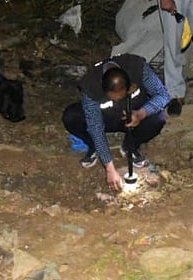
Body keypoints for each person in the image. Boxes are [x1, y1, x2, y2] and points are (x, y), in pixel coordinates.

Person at [62, 54, 170, 192]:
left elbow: (163, 95)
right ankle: (93, 147)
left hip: (133, 116)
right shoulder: (90, 85)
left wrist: (141, 113)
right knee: (71, 116)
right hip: (105, 118)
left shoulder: (138, 68)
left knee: (158, 118)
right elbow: (95, 126)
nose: (118, 101)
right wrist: (110, 169)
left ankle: (130, 147)